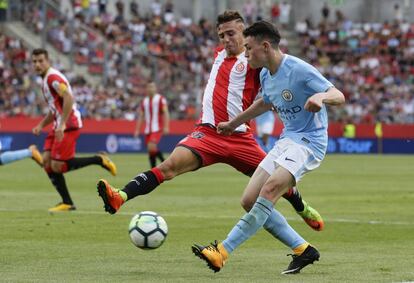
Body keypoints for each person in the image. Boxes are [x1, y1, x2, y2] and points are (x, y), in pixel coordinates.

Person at [96, 11, 324, 232]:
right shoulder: (219, 53)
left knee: (275, 180)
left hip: (240, 137)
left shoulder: (254, 61)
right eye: (222, 35)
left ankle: (301, 207)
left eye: (232, 33)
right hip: (207, 133)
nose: (226, 40)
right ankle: (120, 196)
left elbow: (279, 69)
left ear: (244, 33)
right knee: (168, 167)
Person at [192, 21, 345, 274]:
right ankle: (303, 249)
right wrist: (233, 123)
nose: (246, 53)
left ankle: (222, 251)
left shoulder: (298, 69)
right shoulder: (265, 73)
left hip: (309, 142)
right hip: (288, 140)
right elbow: (264, 102)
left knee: (271, 189)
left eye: (249, 48)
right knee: (249, 200)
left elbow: (338, 95)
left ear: (265, 46)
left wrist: (320, 97)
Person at [31, 48, 117, 212]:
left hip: (69, 124)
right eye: (34, 61)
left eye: (41, 61)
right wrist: (42, 125)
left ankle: (99, 159)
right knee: (47, 163)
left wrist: (62, 123)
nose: (37, 64)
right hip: (59, 123)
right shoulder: (46, 80)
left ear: (48, 60)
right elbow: (55, 108)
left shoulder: (53, 78)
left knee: (58, 165)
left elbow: (69, 97)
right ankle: (67, 202)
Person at [133, 81, 169, 168]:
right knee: (151, 150)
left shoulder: (160, 99)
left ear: (155, 88)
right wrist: (137, 130)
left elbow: (166, 112)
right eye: (149, 87)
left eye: (152, 87)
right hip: (148, 129)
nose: (150, 89)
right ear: (146, 89)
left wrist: (166, 127)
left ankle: (165, 163)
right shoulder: (144, 101)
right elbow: (141, 116)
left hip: (157, 128)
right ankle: (153, 169)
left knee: (151, 146)